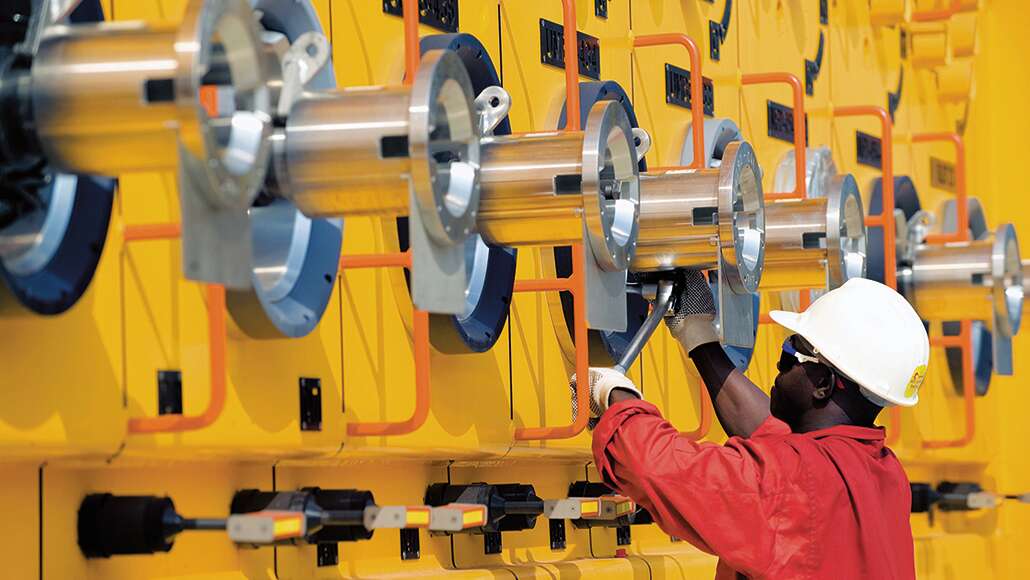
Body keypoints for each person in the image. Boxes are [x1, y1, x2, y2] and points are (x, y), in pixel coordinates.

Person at [583, 273, 929, 579]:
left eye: (790, 351)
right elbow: (775, 438)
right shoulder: (882, 473)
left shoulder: (793, 484)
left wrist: (614, 395)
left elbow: (657, 468)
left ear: (823, 382)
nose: (779, 365)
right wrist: (698, 336)